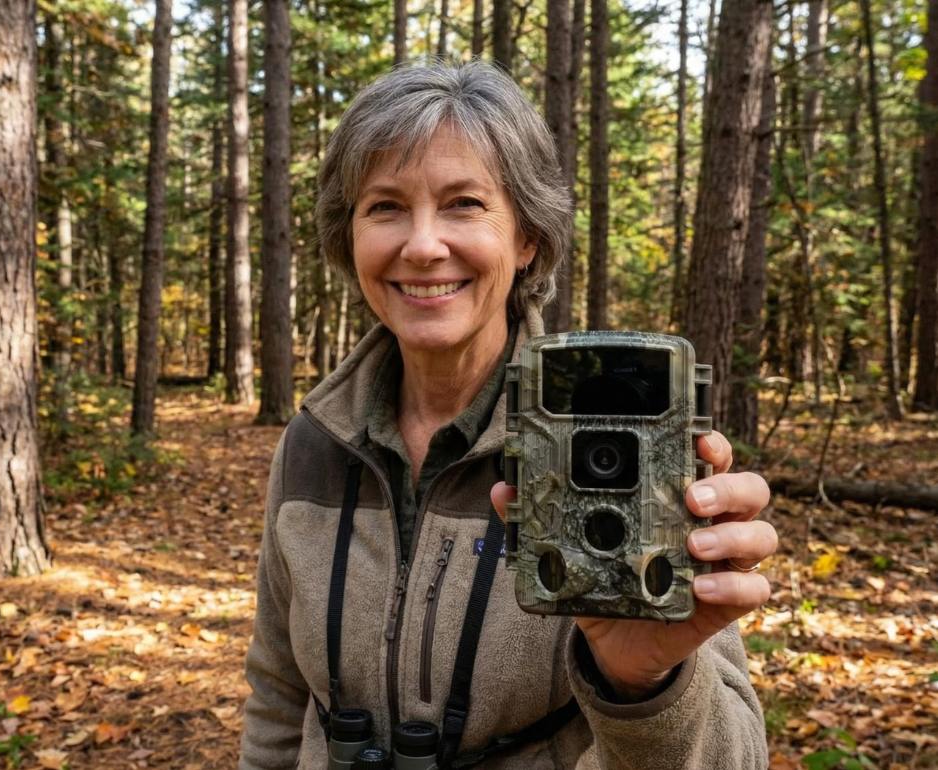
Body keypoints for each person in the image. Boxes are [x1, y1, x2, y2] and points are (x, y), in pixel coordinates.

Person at [238, 61, 776, 769]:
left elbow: (737, 759)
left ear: (527, 238)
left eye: (464, 203)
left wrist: (646, 684)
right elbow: (280, 696)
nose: (423, 245)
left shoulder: (622, 439)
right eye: (385, 207)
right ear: (351, 237)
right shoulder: (317, 442)